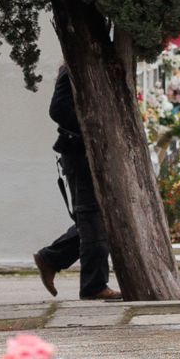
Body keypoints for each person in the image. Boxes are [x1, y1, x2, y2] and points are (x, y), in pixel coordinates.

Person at [33, 65, 121, 300]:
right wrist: (93, 128)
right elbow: (58, 110)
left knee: (99, 217)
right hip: (79, 152)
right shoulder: (73, 67)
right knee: (92, 217)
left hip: (89, 152)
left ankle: (51, 257)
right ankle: (93, 286)